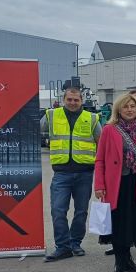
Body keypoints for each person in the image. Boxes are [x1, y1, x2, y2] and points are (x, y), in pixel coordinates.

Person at [93, 94, 136, 272]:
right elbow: (100, 159)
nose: (129, 109)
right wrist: (99, 185)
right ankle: (119, 263)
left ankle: (128, 260)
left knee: (133, 223)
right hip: (116, 184)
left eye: (132, 106)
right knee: (119, 224)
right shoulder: (109, 130)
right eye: (125, 106)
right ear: (118, 110)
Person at [41, 87, 102, 261]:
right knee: (58, 211)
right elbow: (34, 131)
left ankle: (75, 243)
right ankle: (63, 247)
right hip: (61, 174)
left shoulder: (92, 118)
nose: (73, 103)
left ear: (81, 100)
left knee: (81, 212)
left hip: (84, 174)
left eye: (76, 100)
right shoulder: (51, 115)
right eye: (69, 99)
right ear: (64, 99)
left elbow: (101, 144)